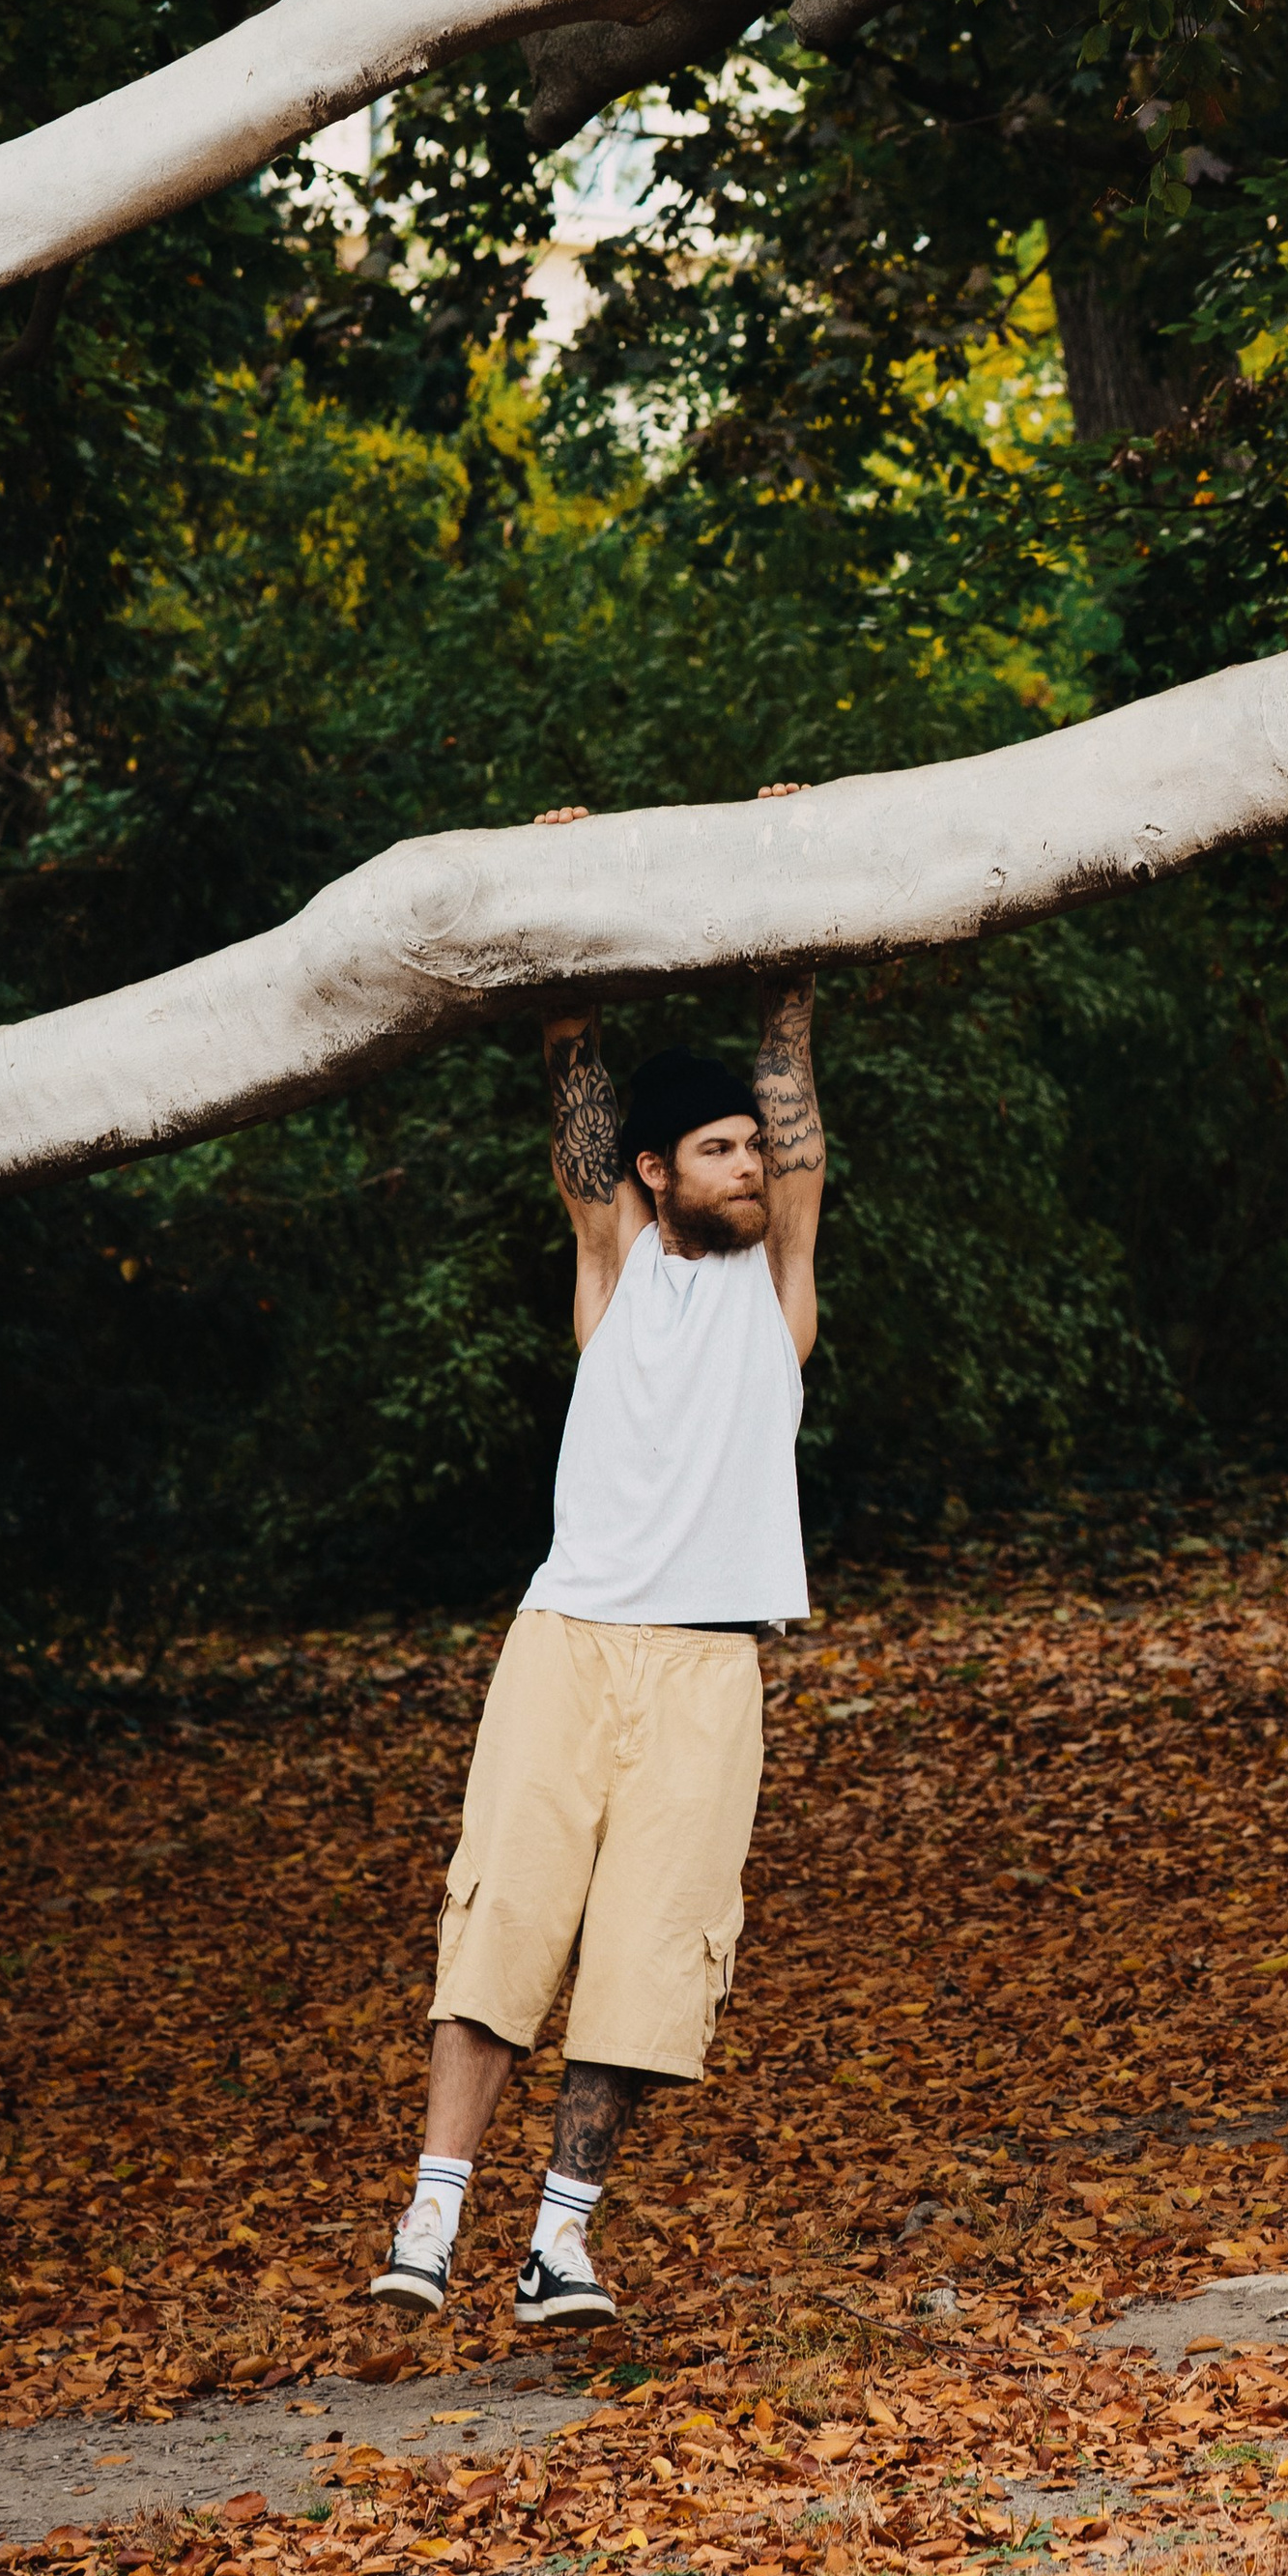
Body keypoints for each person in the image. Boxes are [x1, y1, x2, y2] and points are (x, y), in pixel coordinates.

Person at [369, 790, 825, 2330]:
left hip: (710, 1664)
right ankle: (432, 2217)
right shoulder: (620, 1267)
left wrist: (785, 941)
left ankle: (560, 2236)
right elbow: (573, 1077)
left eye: (757, 1147)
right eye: (719, 1149)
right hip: (568, 1643)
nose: (753, 1166)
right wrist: (566, 906)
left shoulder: (781, 1292)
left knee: (651, 1959)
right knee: (503, 1916)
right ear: (649, 1172)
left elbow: (796, 1090)